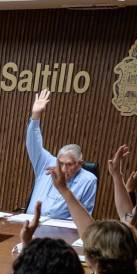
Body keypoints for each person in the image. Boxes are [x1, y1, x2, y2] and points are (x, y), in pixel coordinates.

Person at [24, 89, 96, 218]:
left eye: (69, 165)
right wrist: (35, 116)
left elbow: (84, 216)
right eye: (60, 163)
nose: (63, 169)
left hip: (60, 230)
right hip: (30, 222)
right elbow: (33, 144)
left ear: (80, 164)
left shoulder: (88, 180)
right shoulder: (48, 164)